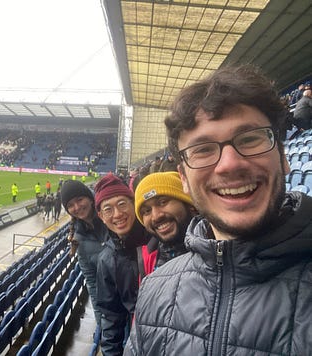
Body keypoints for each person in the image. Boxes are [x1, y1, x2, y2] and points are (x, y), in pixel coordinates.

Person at [125, 65, 312, 355]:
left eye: (250, 138)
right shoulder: (152, 291)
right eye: (202, 149)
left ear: (283, 157)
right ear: (184, 179)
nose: (229, 164)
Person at [94, 173, 151, 356]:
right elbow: (111, 317)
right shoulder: (107, 259)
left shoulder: (157, 237)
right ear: (101, 216)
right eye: (108, 209)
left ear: (133, 204)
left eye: (122, 204)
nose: (117, 214)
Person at [61, 180, 110, 355]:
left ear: (90, 198)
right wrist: (101, 320)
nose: (77, 207)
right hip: (112, 310)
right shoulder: (78, 239)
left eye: (80, 199)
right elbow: (92, 283)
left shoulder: (112, 218)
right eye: (70, 205)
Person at [134, 171, 196, 273]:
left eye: (163, 202)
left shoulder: (218, 249)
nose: (156, 216)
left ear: (188, 203)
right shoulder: (148, 261)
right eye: (147, 211)